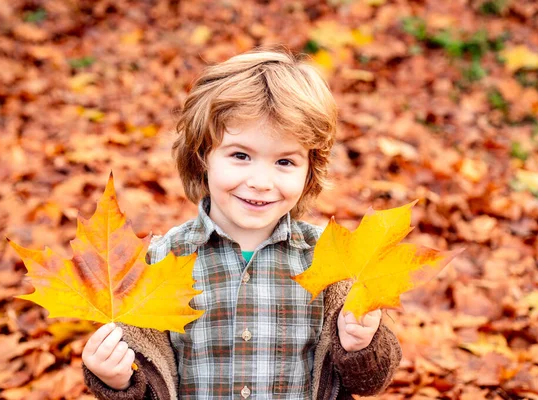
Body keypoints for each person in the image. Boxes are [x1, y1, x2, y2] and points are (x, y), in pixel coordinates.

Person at [81, 46, 402, 399]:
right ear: (203, 155)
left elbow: (369, 383)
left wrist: (360, 345)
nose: (261, 181)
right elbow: (147, 381)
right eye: (240, 155)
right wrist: (117, 380)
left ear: (311, 169)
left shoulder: (334, 262)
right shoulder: (159, 261)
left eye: (284, 162)